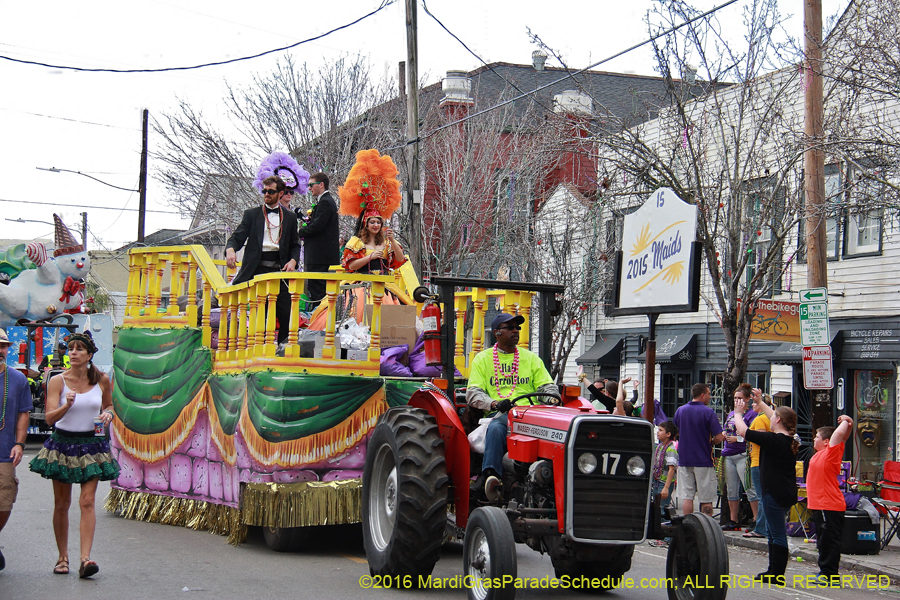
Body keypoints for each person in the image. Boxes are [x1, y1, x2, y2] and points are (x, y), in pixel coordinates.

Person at [29, 331, 119, 578]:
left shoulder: (101, 379)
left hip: (92, 445)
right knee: (62, 504)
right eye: (70, 349)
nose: (73, 353)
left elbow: (109, 405)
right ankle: (62, 558)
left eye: (79, 349)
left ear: (89, 354)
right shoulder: (58, 381)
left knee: (87, 501)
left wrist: (108, 414)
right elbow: (48, 418)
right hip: (63, 445)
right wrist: (66, 406)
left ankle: (85, 559)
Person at [466, 313, 559, 501]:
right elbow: (473, 393)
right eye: (510, 327)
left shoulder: (531, 359)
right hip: (502, 413)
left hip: (532, 413)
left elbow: (548, 386)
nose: (515, 331)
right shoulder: (482, 359)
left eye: (517, 327)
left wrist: (551, 399)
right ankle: (490, 476)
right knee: (498, 426)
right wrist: (494, 403)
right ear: (497, 333)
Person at [733, 391, 799, 584]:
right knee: (772, 531)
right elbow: (778, 418)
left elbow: (744, 432)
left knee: (777, 533)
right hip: (784, 492)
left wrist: (738, 413)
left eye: (773, 415)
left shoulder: (773, 440)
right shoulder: (790, 439)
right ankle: (772, 570)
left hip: (774, 492)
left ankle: (777, 574)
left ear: (777, 420)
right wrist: (760, 403)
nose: (770, 418)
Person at [225, 176, 301, 345]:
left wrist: (294, 261)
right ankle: (259, 349)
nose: (266, 194)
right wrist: (230, 250)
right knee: (261, 312)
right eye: (264, 191)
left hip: (279, 272)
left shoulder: (289, 217)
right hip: (256, 270)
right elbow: (236, 238)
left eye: (271, 191)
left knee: (286, 312)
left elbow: (296, 245)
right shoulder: (251, 214)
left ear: (280, 193)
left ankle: (282, 350)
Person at [807, 415, 853, 583]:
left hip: (829, 504)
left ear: (826, 441)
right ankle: (824, 571)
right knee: (823, 540)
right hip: (820, 504)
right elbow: (844, 436)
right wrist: (849, 424)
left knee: (829, 541)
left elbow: (839, 435)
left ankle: (829, 574)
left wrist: (847, 421)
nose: (814, 439)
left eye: (817, 437)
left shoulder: (831, 454)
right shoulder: (819, 454)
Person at [0, 328, 32, 572]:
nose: (0, 350)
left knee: (4, 502)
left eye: (3, 346)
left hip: (4, 452)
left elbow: (23, 414)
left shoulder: (18, 379)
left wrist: (20, 443)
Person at [673, 383, 725, 516]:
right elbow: (719, 436)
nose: (709, 397)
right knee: (706, 498)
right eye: (708, 394)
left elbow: (675, 432)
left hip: (684, 459)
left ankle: (687, 525)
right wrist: (712, 442)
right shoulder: (708, 412)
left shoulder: (681, 410)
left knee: (687, 496)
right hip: (703, 459)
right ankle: (707, 528)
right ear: (702, 395)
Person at [298, 172, 340, 308]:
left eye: (311, 185)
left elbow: (317, 227)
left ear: (321, 185)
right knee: (317, 292)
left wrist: (299, 232)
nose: (309, 188)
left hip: (320, 259)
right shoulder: (324, 202)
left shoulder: (326, 202)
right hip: (319, 258)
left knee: (318, 293)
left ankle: (318, 324)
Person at [721, 383, 759, 531]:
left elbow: (753, 435)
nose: (737, 401)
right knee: (731, 489)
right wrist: (724, 435)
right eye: (735, 398)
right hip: (729, 454)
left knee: (749, 487)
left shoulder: (751, 415)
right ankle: (733, 519)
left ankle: (756, 519)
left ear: (748, 399)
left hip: (743, 454)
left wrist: (739, 439)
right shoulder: (731, 414)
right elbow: (727, 429)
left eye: (741, 398)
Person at [744, 390, 772, 539]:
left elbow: (761, 439)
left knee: (761, 496)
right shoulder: (770, 418)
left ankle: (761, 528)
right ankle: (766, 527)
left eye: (755, 402)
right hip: (763, 461)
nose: (753, 405)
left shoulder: (760, 419)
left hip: (757, 461)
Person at [649, 420, 679, 548]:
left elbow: (671, 469)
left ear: (668, 434)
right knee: (657, 510)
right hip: (656, 482)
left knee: (663, 509)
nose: (658, 433)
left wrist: (666, 487)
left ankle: (667, 538)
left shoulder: (671, 449)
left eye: (660, 430)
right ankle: (661, 536)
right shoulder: (660, 446)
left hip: (663, 483)